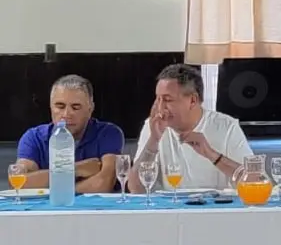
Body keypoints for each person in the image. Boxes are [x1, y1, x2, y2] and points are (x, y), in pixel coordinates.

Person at [128, 64, 253, 192]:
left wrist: (211, 155)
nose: (160, 107)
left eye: (167, 100)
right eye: (158, 99)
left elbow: (254, 182)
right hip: (171, 204)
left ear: (193, 100)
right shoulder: (153, 126)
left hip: (215, 204)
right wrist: (153, 141)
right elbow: (136, 190)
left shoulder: (227, 127)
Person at [14, 75, 124, 193]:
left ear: (90, 109)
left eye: (75, 107)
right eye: (60, 106)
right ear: (50, 107)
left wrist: (55, 191)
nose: (66, 114)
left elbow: (104, 182)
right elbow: (21, 182)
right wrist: (75, 169)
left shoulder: (107, 133)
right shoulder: (34, 138)